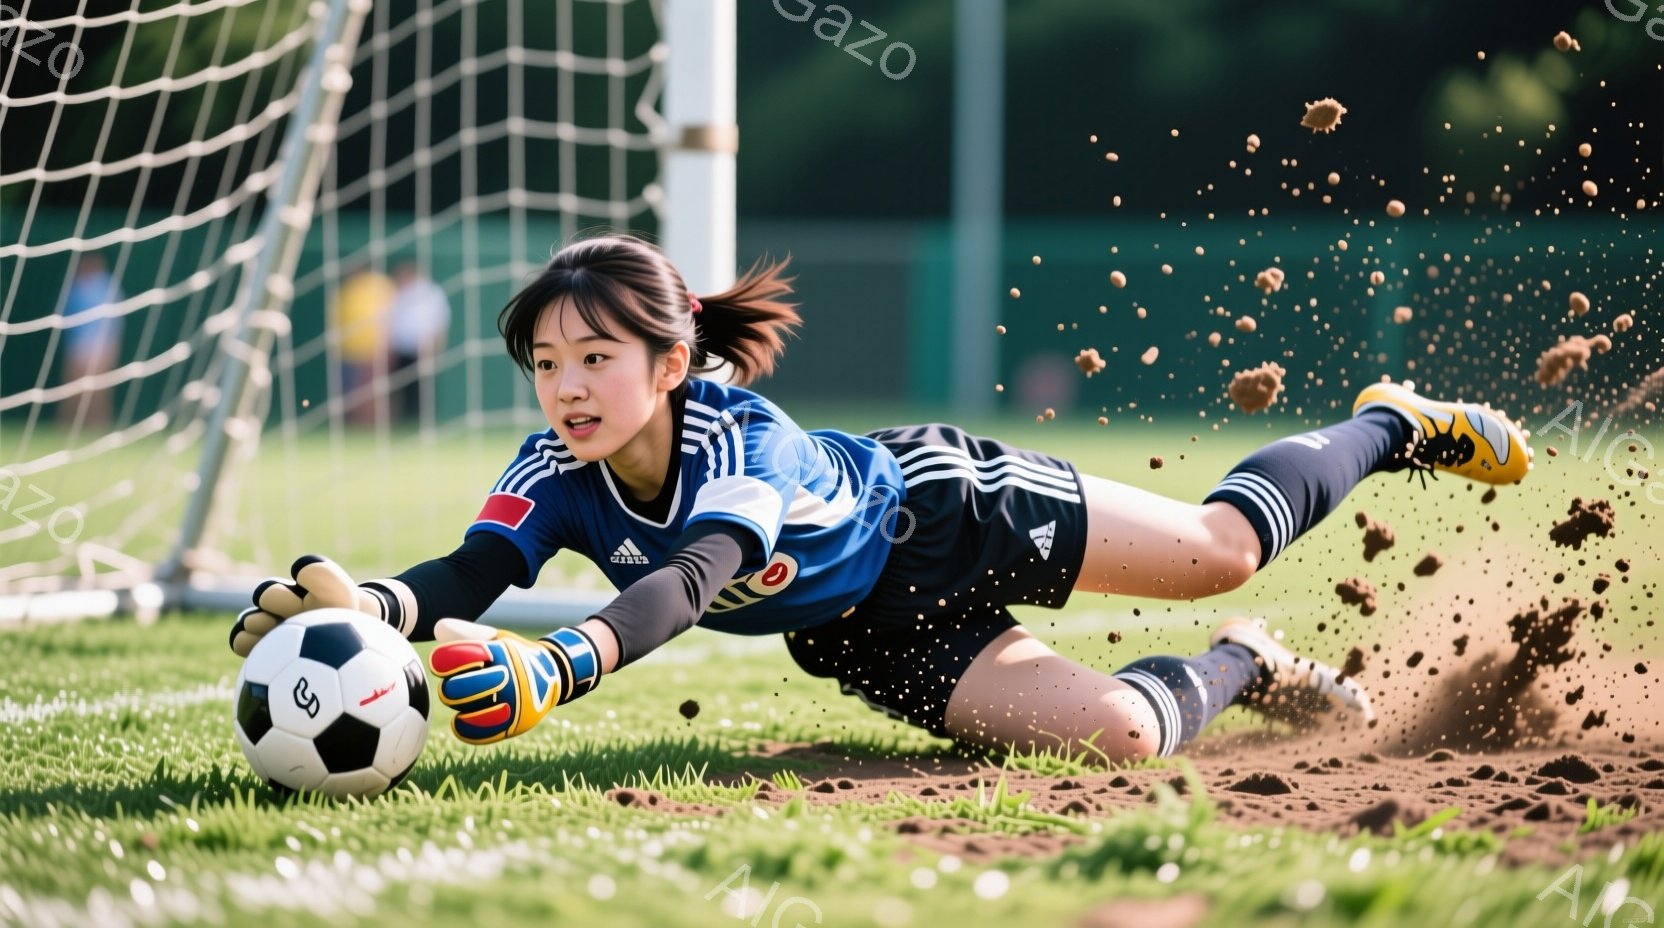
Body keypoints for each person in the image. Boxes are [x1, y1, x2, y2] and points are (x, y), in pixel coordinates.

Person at [230, 233, 1532, 762]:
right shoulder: (549, 471)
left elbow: (691, 578)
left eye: (594, 360)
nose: (565, 388)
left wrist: (561, 668)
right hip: (863, 627)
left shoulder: (734, 438)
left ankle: (1388, 419)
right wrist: (368, 605)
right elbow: (472, 575)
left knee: (1217, 550)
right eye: (546, 365)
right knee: (1129, 744)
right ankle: (1245, 668)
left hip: (937, 506)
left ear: (672, 363)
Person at [59, 253, 125, 429]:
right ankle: (68, 427)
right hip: (77, 347)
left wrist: (111, 346)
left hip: (101, 346)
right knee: (73, 390)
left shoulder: (107, 286)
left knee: (98, 391)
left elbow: (116, 321)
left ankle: (99, 426)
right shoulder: (75, 288)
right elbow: (65, 318)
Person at [386, 260, 451, 423]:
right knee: (401, 387)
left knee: (422, 388)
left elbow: (439, 321)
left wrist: (436, 347)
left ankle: (423, 419)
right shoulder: (397, 293)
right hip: (401, 349)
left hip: (422, 348)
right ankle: (404, 420)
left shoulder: (431, 293)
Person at [336, 264, 396, 426]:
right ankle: (353, 423)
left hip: (375, 350)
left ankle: (375, 423)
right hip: (349, 351)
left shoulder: (380, 285)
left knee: (373, 391)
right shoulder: (347, 289)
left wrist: (387, 345)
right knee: (350, 391)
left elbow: (391, 318)